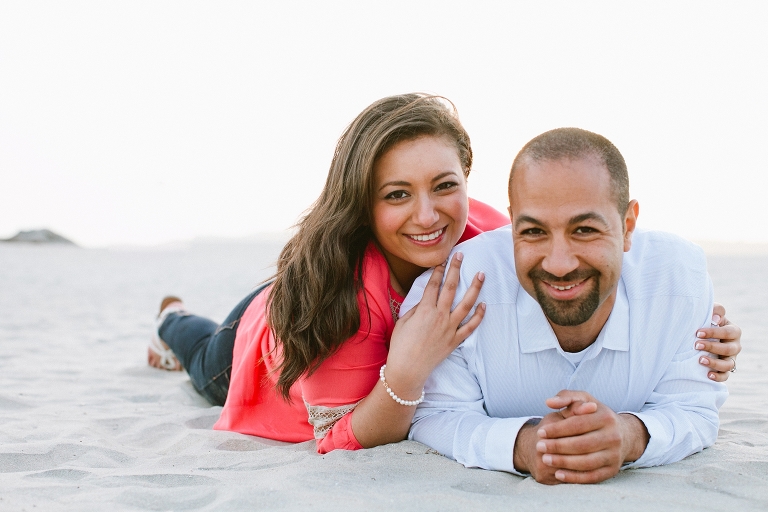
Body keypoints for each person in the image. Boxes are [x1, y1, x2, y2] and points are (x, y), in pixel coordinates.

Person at [148, 96, 741, 455]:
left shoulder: (492, 237)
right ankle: (170, 318)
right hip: (271, 335)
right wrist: (408, 368)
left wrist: (698, 339)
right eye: (397, 194)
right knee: (200, 354)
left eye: (445, 186)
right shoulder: (345, 304)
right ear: (363, 204)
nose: (429, 215)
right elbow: (338, 438)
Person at [404, 127, 737, 484]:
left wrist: (629, 437)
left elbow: (694, 409)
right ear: (512, 223)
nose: (559, 264)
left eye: (585, 230)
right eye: (534, 231)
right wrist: (522, 446)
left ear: (627, 226)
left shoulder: (678, 279)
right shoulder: (457, 287)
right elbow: (434, 415)